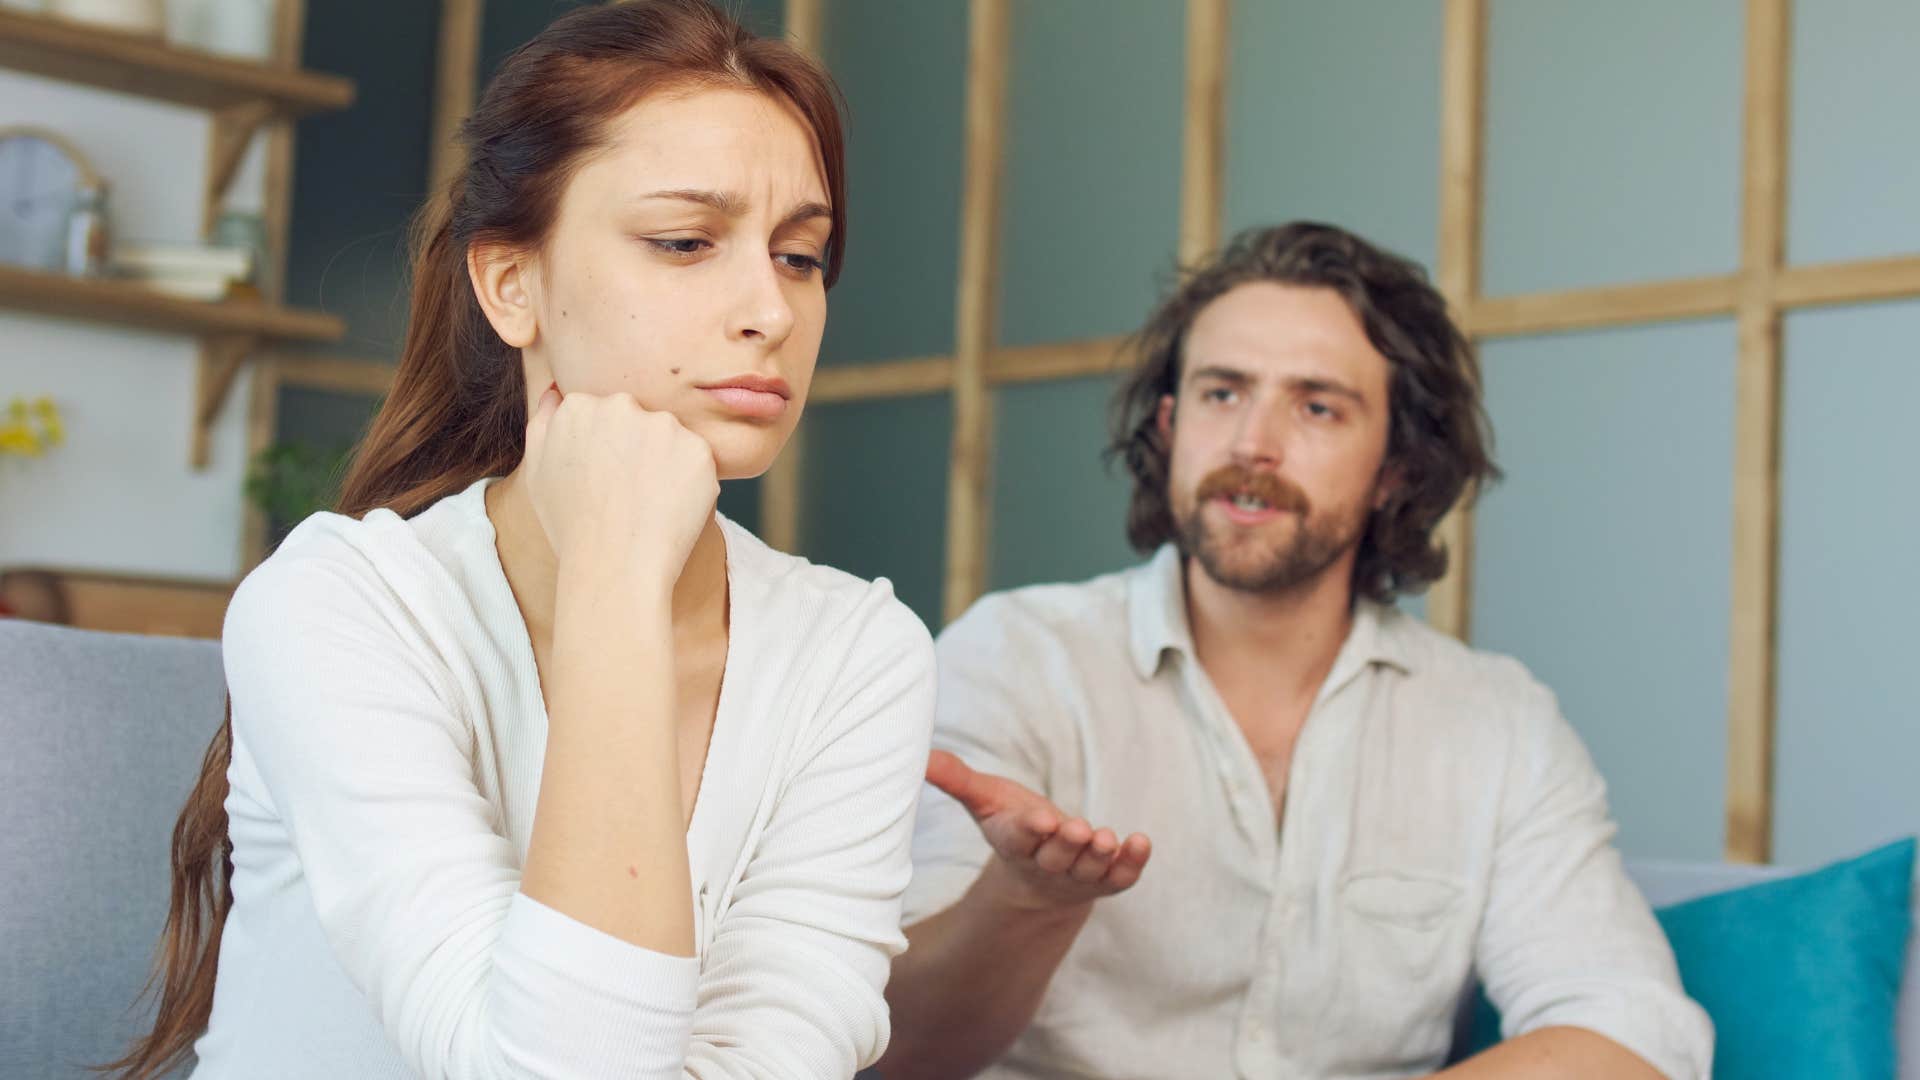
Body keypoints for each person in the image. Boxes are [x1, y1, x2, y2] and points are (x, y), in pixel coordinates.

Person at [110, 3, 933, 1077]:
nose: (768, 311)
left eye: (800, 256)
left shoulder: (860, 653)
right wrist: (616, 582)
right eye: (685, 242)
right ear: (511, 284)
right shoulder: (339, 604)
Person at [880, 223, 1712, 1079]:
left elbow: (1629, 1027)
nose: (1253, 443)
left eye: (1317, 406)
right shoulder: (1017, 659)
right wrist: (1027, 900)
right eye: (1221, 393)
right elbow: (894, 1052)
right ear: (1168, 428)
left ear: (1396, 465)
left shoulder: (1499, 725)